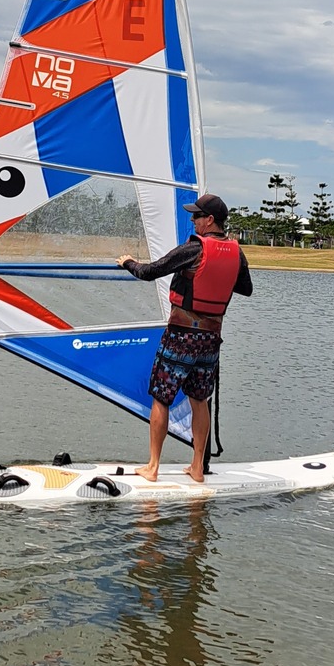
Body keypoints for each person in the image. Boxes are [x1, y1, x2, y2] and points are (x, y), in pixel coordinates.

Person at [119, 193, 252, 483]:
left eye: (196, 216)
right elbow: (246, 288)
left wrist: (128, 262)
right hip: (211, 339)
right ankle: (196, 468)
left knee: (161, 398)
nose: (192, 221)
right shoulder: (237, 252)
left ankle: (152, 467)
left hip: (181, 335)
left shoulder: (194, 248)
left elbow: (150, 271)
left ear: (210, 220)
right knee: (199, 399)